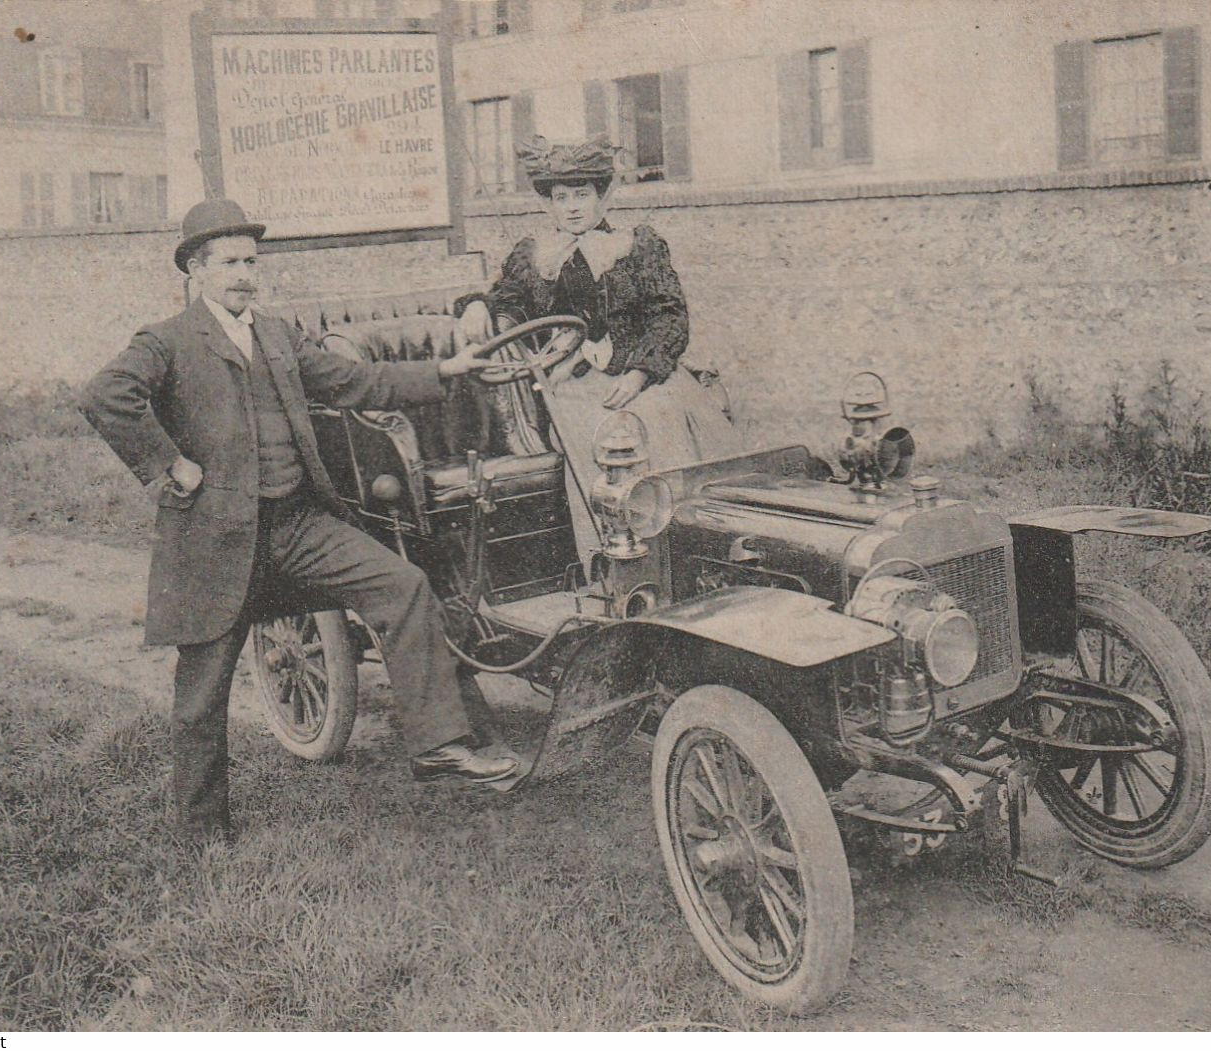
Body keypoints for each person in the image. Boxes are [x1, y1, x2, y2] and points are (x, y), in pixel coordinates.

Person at [81, 198, 517, 848]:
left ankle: (437, 745)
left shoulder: (278, 335)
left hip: (298, 524)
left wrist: (445, 371)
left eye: (250, 261)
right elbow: (103, 395)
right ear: (196, 271)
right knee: (201, 697)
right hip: (216, 541)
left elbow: (355, 382)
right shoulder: (167, 340)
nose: (243, 274)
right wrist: (169, 464)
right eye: (228, 262)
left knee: (402, 587)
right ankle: (202, 833)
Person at [455, 134, 739, 566]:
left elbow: (669, 315)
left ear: (602, 198)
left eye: (582, 195)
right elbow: (504, 298)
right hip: (571, 384)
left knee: (661, 415)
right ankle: (622, 560)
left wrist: (639, 374)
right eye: (561, 197)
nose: (572, 207)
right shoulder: (533, 256)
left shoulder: (638, 246)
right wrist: (476, 304)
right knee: (612, 435)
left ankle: (695, 549)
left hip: (642, 371)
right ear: (548, 204)